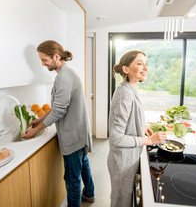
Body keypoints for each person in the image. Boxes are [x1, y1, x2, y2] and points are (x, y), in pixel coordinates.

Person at [22, 40, 95, 207]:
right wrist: (40, 119)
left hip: (73, 135)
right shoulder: (66, 73)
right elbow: (58, 107)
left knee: (72, 179)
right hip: (79, 133)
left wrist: (35, 130)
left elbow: (58, 111)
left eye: (44, 60)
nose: (42, 64)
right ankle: (90, 194)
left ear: (56, 56)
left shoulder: (64, 78)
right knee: (83, 164)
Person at [107, 50, 167, 207]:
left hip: (130, 159)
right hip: (122, 162)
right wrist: (148, 140)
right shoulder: (124, 95)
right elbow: (116, 138)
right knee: (121, 202)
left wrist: (142, 126)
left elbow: (128, 120)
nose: (145, 68)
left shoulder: (130, 89)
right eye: (139, 63)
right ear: (126, 69)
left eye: (146, 63)